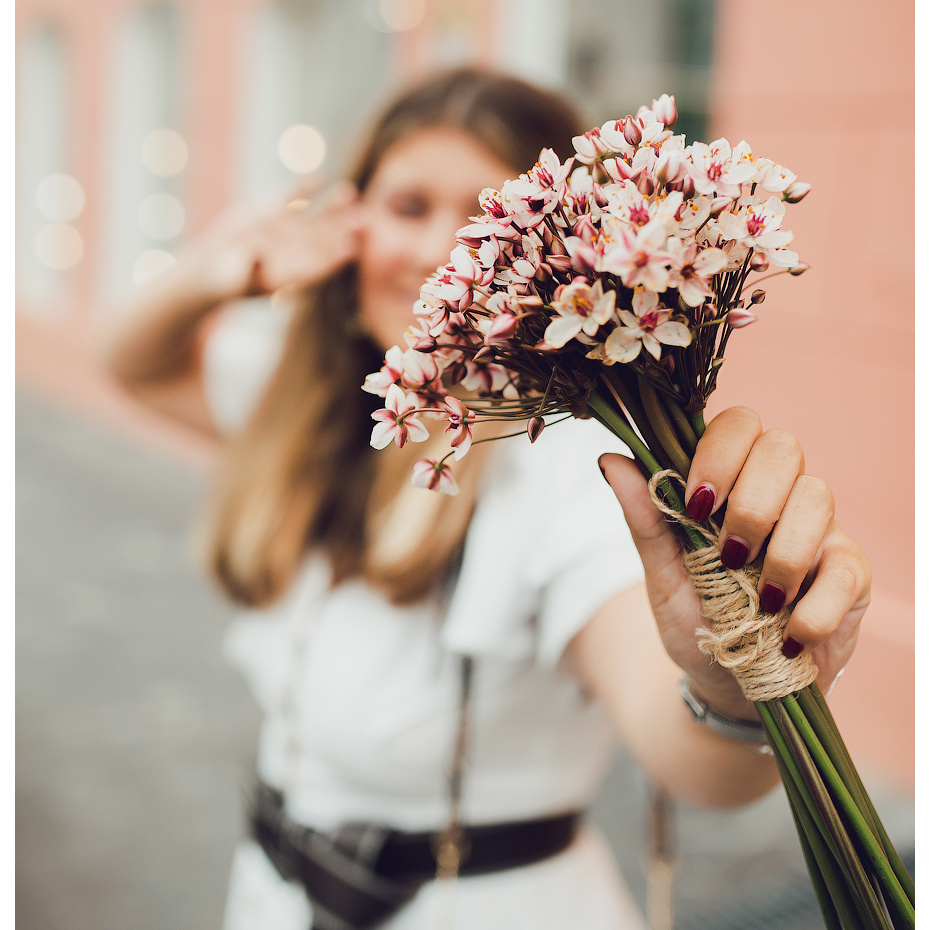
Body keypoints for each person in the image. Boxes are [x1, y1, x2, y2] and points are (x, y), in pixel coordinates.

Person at [103, 67, 870, 930]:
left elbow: (691, 757)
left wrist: (730, 687)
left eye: (487, 218)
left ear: (562, 258)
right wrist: (217, 270)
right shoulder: (319, 404)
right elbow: (129, 363)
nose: (442, 251)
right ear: (351, 223)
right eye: (408, 207)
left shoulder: (567, 466)